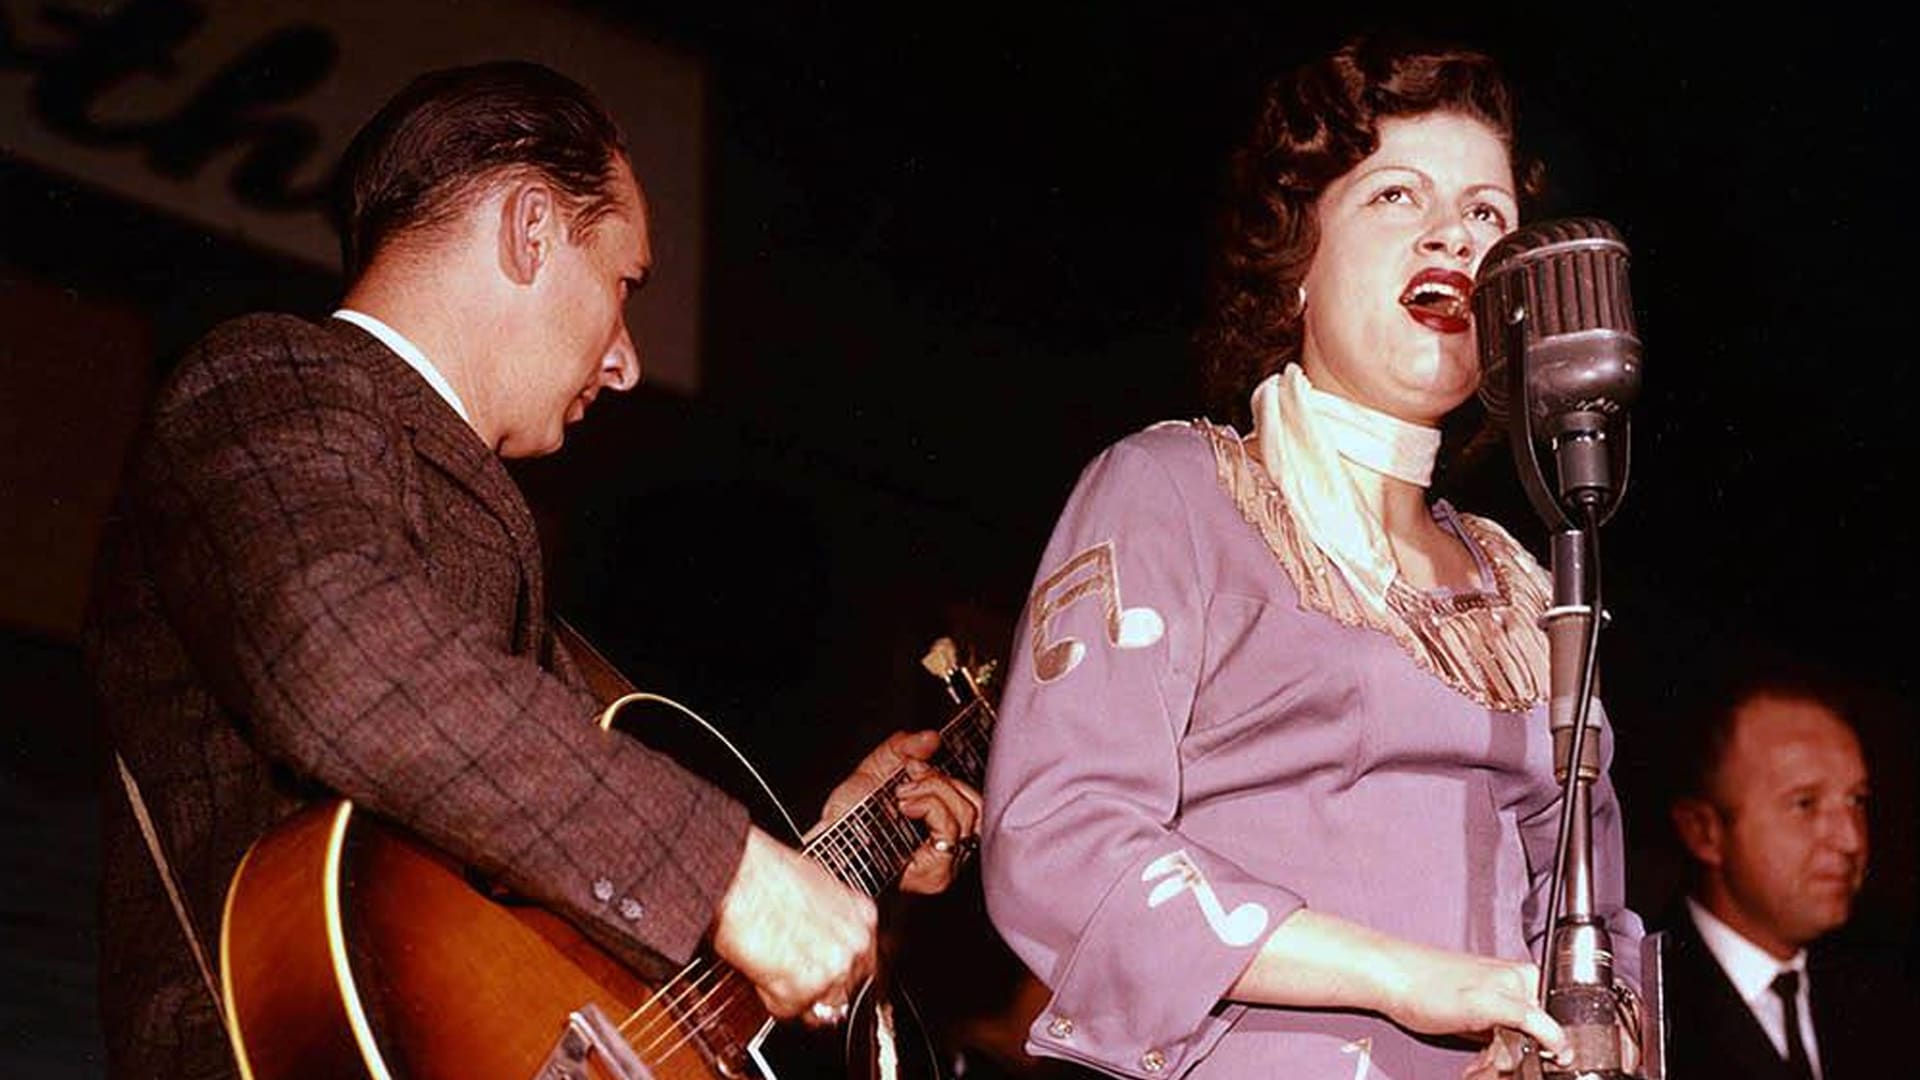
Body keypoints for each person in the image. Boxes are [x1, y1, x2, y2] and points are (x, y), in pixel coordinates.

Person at [85, 61, 980, 1079]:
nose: (627, 362)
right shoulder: (269, 380)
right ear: (531, 230)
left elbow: (574, 895)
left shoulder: (492, 589)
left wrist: (823, 850)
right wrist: (735, 874)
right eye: (624, 283)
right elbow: (345, 656)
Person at [979, 38, 1642, 1079]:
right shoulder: (1174, 495)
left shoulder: (1528, 581)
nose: (1452, 240)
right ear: (1295, 261)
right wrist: (1406, 976)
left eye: (1486, 215)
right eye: (1395, 197)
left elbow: (1594, 913)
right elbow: (1061, 841)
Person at [1662, 663, 1913, 1079]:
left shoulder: (1888, 991)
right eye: (1805, 804)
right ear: (1704, 832)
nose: (1850, 839)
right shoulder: (1644, 1007)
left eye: (1857, 800)